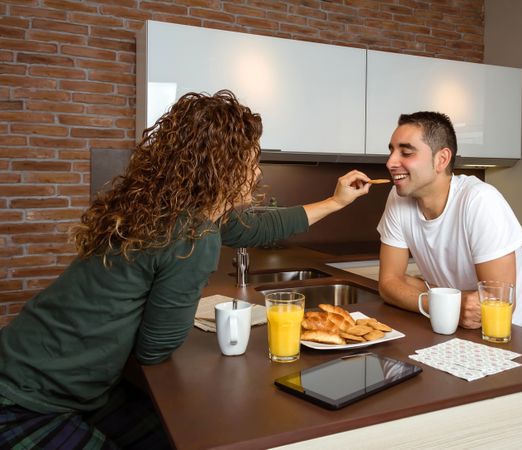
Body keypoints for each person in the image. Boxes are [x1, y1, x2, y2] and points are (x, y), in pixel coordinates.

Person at [0, 90, 372, 448]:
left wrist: (335, 202)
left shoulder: (161, 207)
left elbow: (258, 227)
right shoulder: (193, 234)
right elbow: (155, 348)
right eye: (251, 161)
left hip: (31, 365)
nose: (257, 174)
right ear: (222, 167)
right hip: (30, 400)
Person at [376, 111, 522, 338]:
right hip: (468, 340)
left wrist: (426, 293)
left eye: (406, 152)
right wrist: (443, 304)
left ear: (441, 159)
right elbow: (389, 283)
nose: (391, 162)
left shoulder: (480, 201)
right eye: (391, 151)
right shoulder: (398, 197)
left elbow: (494, 304)